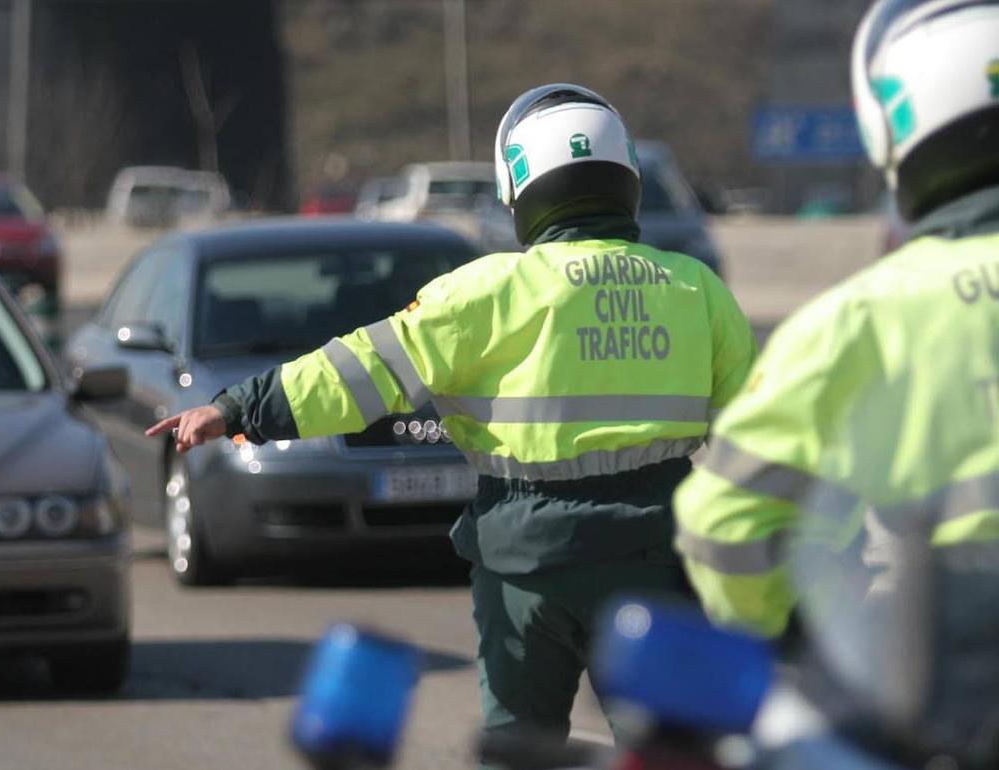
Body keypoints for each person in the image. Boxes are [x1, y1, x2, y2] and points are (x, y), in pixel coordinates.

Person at [147, 84, 756, 746]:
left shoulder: (486, 291)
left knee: (521, 749)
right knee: (669, 751)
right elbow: (760, 433)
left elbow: (358, 372)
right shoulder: (696, 289)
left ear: (520, 188)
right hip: (654, 553)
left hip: (526, 559)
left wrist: (240, 407)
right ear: (627, 178)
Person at [673, 0, 999, 638]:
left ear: (892, 126)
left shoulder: (856, 321)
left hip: (940, 688)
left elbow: (725, 523)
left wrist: (795, 631)